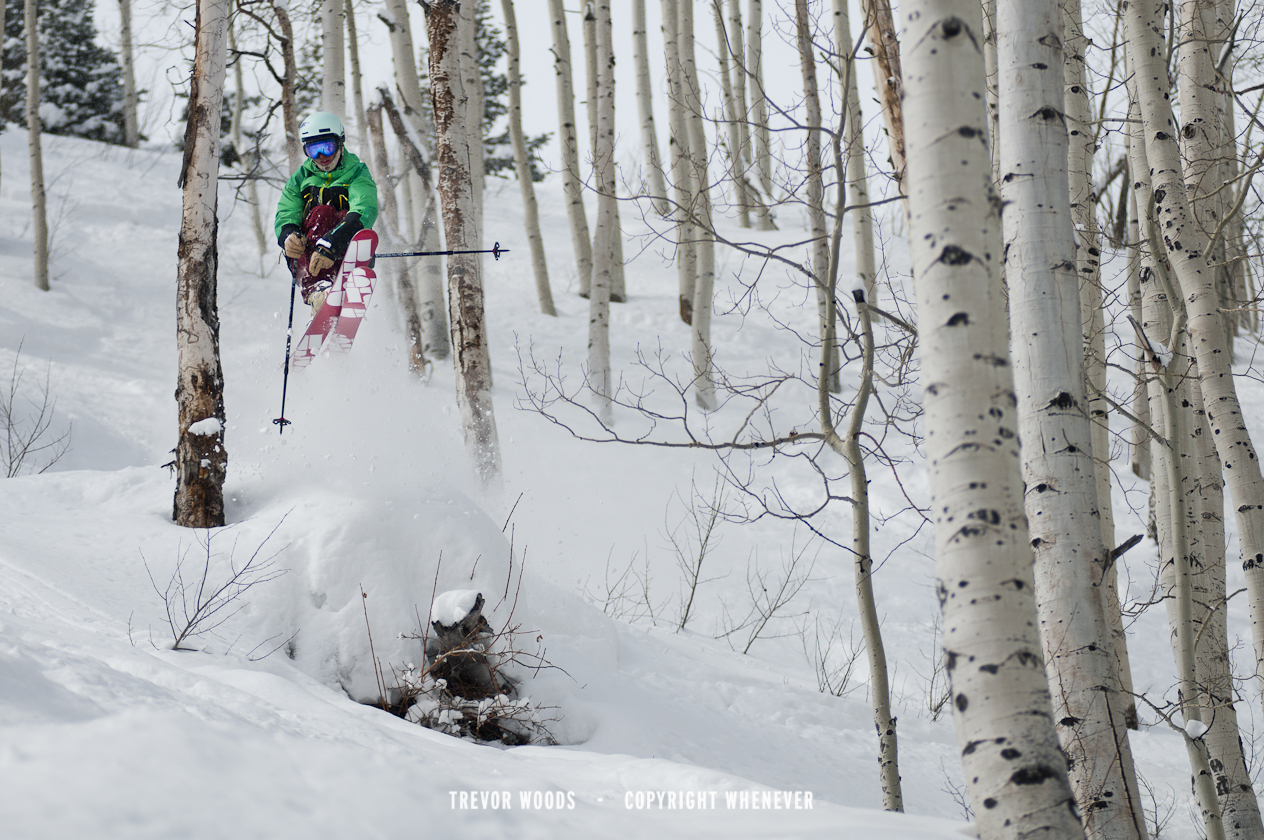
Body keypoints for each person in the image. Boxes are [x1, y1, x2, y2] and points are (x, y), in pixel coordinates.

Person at [274, 111, 379, 314]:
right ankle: (318, 292)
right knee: (320, 213)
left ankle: (342, 284)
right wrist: (287, 234)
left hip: (342, 248)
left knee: (331, 213)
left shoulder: (356, 172)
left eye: (327, 148)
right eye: (313, 150)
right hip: (308, 258)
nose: (321, 157)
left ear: (340, 143)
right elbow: (286, 211)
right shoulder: (300, 178)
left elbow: (364, 206)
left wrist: (335, 240)